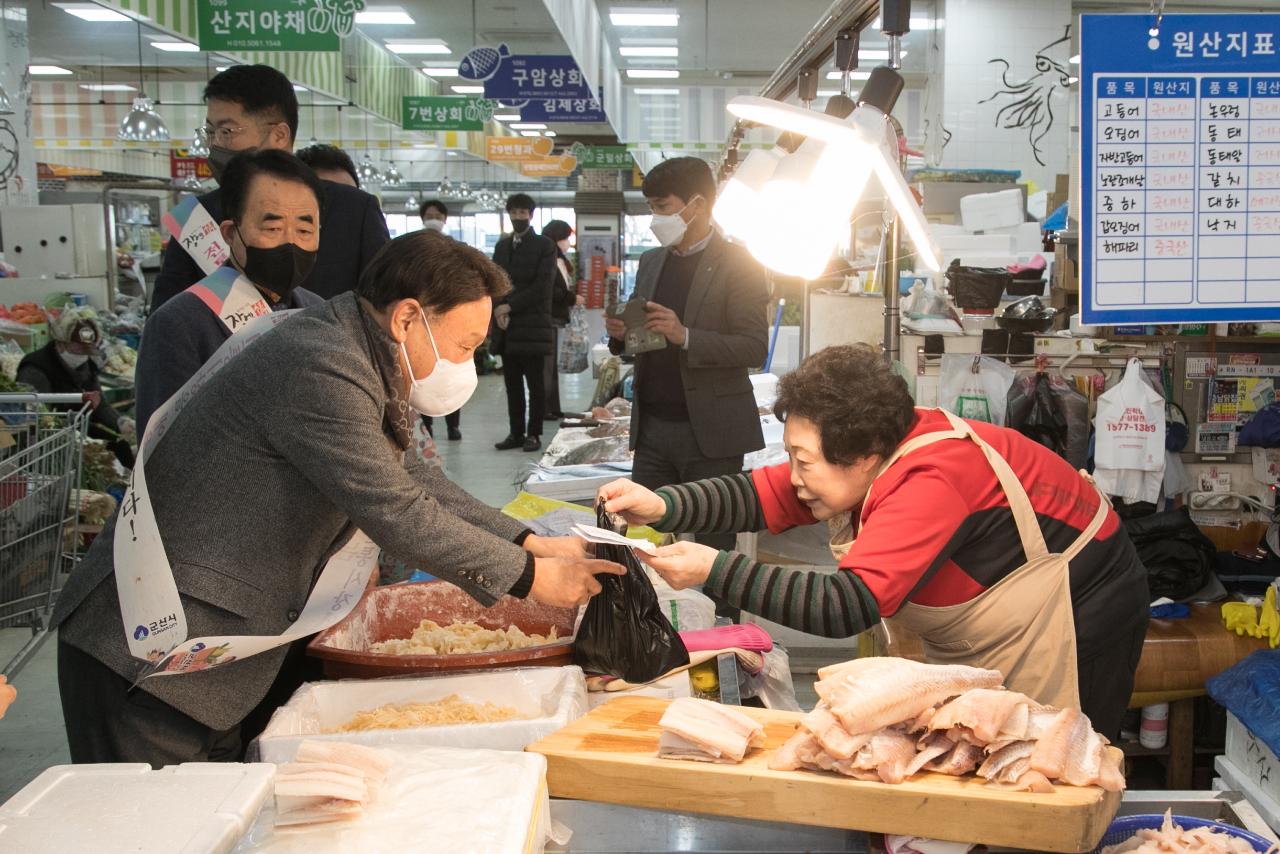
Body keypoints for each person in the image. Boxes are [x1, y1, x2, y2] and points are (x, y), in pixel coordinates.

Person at [52, 231, 624, 767]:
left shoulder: (353, 348)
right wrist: (528, 578)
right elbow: (394, 510)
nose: (465, 362)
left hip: (214, 649)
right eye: (465, 345)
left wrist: (527, 542)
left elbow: (414, 482)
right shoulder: (322, 362)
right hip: (153, 647)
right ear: (407, 318)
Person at [599, 345, 1150, 738]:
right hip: (997, 625)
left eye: (803, 460)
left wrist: (713, 568)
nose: (793, 474)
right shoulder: (869, 449)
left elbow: (847, 605)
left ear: (862, 455)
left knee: (1048, 767)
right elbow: (760, 494)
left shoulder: (933, 477)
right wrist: (662, 503)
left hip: (1080, 611)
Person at [604, 156, 769, 557]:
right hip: (653, 431)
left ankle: (723, 619)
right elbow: (644, 338)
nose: (654, 218)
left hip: (710, 434)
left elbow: (754, 348)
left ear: (696, 204)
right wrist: (623, 337)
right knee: (641, 542)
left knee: (713, 547)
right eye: (651, 208)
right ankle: (645, 618)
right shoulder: (651, 261)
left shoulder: (740, 264)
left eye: (662, 207)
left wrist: (686, 335)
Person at [151, 65, 387, 307]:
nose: (215, 144)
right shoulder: (197, 220)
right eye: (210, 132)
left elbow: (386, 305)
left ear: (279, 135)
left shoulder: (354, 211)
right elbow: (165, 320)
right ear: (229, 231)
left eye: (227, 131)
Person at [134, 149, 325, 436]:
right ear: (230, 234)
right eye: (272, 228)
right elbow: (161, 451)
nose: (291, 243)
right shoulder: (178, 325)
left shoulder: (319, 313)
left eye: (304, 230)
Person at [17, 306, 135, 468]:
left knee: (119, 445)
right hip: (50, 440)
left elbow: (99, 405)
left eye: (86, 350)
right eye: (77, 349)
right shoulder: (35, 369)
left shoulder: (86, 365)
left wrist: (119, 422)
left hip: (78, 429)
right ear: (60, 344)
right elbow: (38, 419)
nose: (82, 355)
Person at [492, 193, 556, 453]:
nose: (518, 217)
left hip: (533, 325)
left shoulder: (544, 245)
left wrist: (510, 306)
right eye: (514, 212)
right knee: (512, 385)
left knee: (536, 385)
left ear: (531, 215)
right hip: (507, 327)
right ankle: (515, 432)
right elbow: (495, 281)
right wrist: (498, 308)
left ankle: (534, 434)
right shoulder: (502, 247)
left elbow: (543, 286)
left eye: (523, 212)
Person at [417, 199, 460, 440]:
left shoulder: (454, 247)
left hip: (448, 320)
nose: (433, 218)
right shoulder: (414, 247)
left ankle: (453, 425)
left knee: (450, 376)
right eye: (429, 214)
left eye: (438, 215)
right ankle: (427, 426)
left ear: (445, 219)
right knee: (424, 378)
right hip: (421, 322)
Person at [541, 219, 577, 421]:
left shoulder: (560, 259)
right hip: (548, 317)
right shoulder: (547, 259)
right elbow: (551, 290)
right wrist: (571, 298)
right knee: (547, 367)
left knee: (552, 367)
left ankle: (553, 407)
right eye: (565, 238)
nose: (568, 242)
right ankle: (545, 408)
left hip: (556, 318)